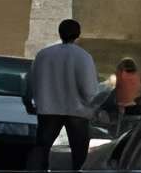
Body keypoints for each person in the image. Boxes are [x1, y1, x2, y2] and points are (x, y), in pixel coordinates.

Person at [24, 18, 103, 171]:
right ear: (78, 34)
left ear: (59, 33)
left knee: (42, 149)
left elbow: (32, 81)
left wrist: (31, 102)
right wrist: (93, 106)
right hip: (77, 111)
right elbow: (89, 90)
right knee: (79, 154)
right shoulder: (83, 57)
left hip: (48, 109)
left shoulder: (43, 55)